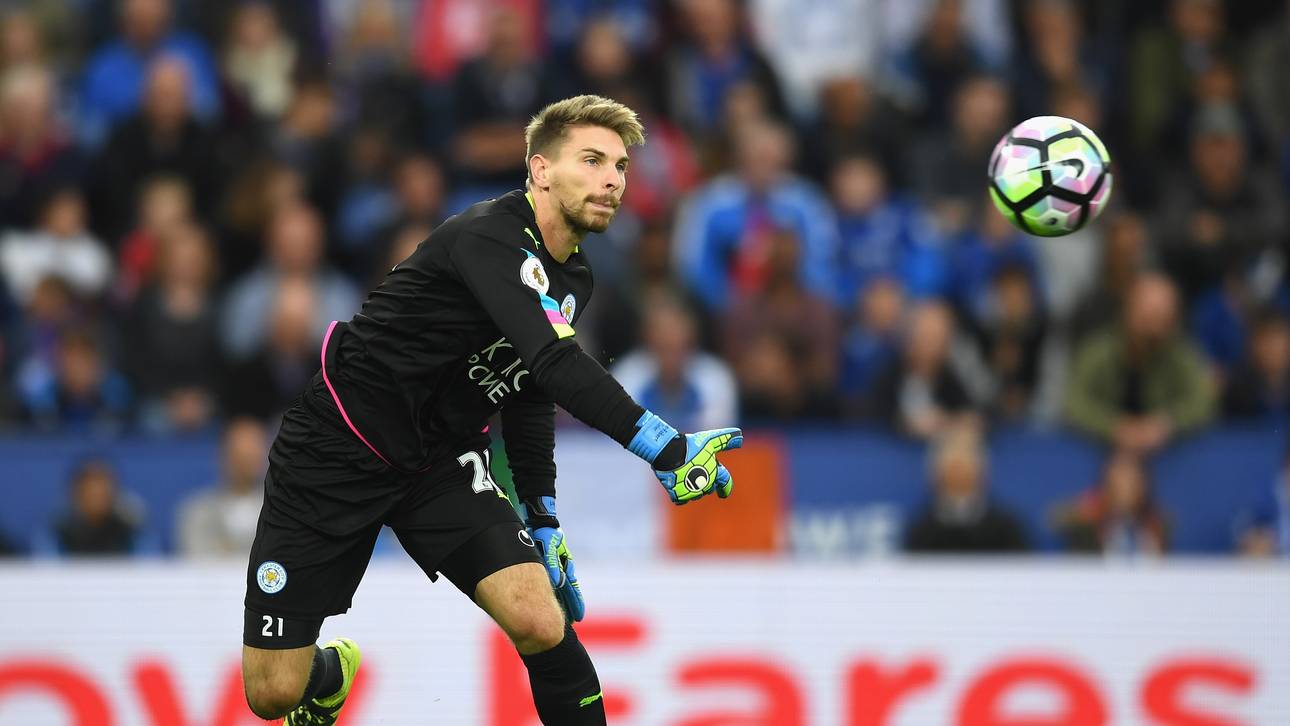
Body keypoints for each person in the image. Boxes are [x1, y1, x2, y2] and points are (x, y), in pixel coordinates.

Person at [240, 95, 743, 725]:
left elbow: (528, 387)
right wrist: (667, 449)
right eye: (591, 160)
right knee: (272, 693)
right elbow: (559, 366)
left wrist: (545, 516)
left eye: (620, 166)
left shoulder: (575, 278)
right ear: (540, 171)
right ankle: (329, 673)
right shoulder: (487, 236)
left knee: (540, 618)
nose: (612, 179)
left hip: (440, 460)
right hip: (339, 444)